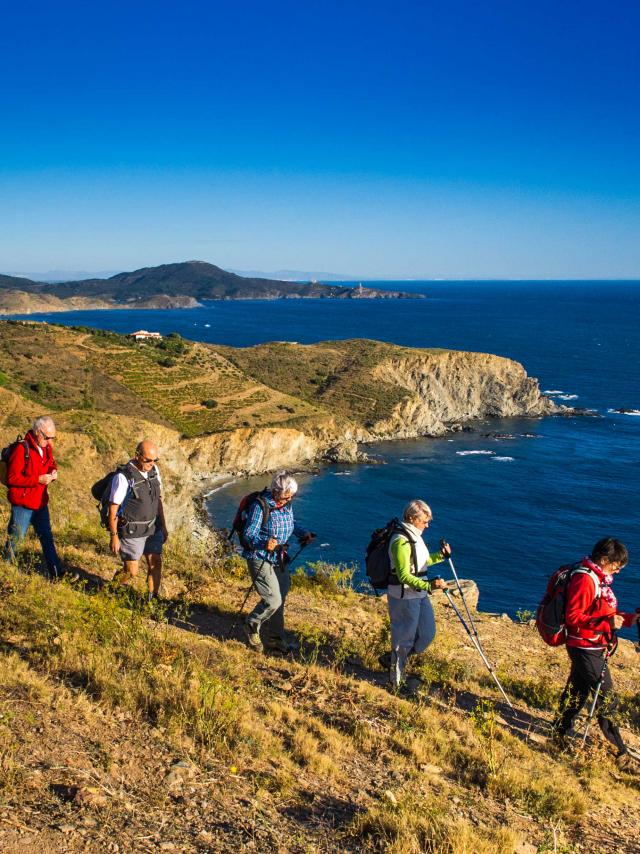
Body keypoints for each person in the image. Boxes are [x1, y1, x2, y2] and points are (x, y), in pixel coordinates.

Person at [552, 537, 639, 764]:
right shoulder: (585, 580)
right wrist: (606, 625)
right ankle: (619, 751)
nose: (618, 571)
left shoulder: (598, 578)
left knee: (577, 691)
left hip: (590, 645)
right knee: (606, 698)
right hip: (585, 646)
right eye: (616, 566)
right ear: (604, 560)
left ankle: (558, 733)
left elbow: (602, 613)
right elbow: (573, 617)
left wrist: (630, 619)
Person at [242, 471, 315, 653]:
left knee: (280, 599)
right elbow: (248, 534)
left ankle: (276, 639)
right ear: (275, 492)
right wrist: (264, 543)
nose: (287, 500)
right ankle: (251, 624)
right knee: (273, 600)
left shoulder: (287, 505)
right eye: (284, 497)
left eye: (290, 497)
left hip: (278, 558)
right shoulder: (261, 506)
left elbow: (290, 523)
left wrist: (303, 533)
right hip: (260, 557)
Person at [385, 499, 449, 692]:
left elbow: (422, 562)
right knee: (403, 639)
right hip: (404, 597)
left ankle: (394, 661)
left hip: (419, 594)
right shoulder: (400, 541)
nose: (427, 525)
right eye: (424, 520)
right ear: (412, 518)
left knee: (427, 634)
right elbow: (404, 575)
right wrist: (429, 585)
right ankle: (396, 681)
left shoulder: (415, 535)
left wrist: (441, 556)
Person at [108, 439, 169, 601]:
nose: (151, 463)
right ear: (137, 456)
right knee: (131, 571)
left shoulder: (154, 471)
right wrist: (114, 536)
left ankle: (152, 599)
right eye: (147, 460)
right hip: (132, 530)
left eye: (154, 460)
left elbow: (158, 500)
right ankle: (111, 588)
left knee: (155, 562)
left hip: (152, 527)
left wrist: (163, 526)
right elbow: (113, 508)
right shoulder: (124, 477)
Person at [3, 416, 61, 579]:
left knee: (47, 538)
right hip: (23, 504)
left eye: (52, 438)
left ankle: (56, 574)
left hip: (40, 502)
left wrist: (53, 472)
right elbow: (12, 478)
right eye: (47, 437)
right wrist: (37, 479)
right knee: (15, 540)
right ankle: (5, 573)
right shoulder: (22, 449)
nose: (50, 441)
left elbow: (51, 463)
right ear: (37, 432)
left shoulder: (46, 447)